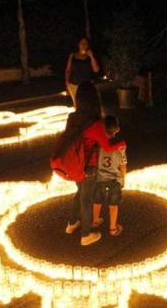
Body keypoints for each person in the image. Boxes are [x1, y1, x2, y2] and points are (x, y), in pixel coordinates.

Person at [53, 81, 126, 246]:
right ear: (95, 99)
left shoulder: (72, 118)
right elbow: (107, 146)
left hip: (74, 165)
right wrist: (121, 144)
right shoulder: (95, 124)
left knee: (80, 194)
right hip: (88, 168)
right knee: (87, 199)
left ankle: (72, 224)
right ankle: (86, 235)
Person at [93, 116, 127, 237]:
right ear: (117, 129)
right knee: (113, 205)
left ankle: (95, 221)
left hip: (100, 178)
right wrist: (123, 179)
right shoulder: (120, 146)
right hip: (115, 180)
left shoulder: (98, 144)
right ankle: (113, 228)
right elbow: (123, 165)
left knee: (97, 200)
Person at [65, 37, 100, 105]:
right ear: (78, 44)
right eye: (82, 43)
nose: (84, 45)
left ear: (88, 45)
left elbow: (96, 70)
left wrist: (91, 56)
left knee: (90, 104)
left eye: (86, 43)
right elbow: (68, 70)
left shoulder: (90, 57)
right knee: (78, 105)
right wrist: (67, 82)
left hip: (88, 85)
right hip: (74, 85)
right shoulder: (72, 56)